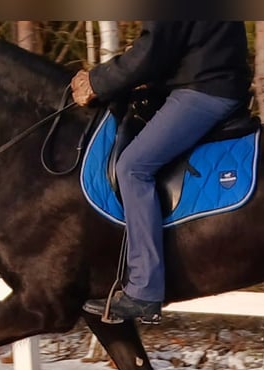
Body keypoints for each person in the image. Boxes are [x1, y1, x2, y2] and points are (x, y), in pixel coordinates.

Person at [72, 21, 252, 324]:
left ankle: (144, 290)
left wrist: (98, 81)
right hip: (210, 80)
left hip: (204, 90)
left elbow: (153, 50)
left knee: (132, 168)